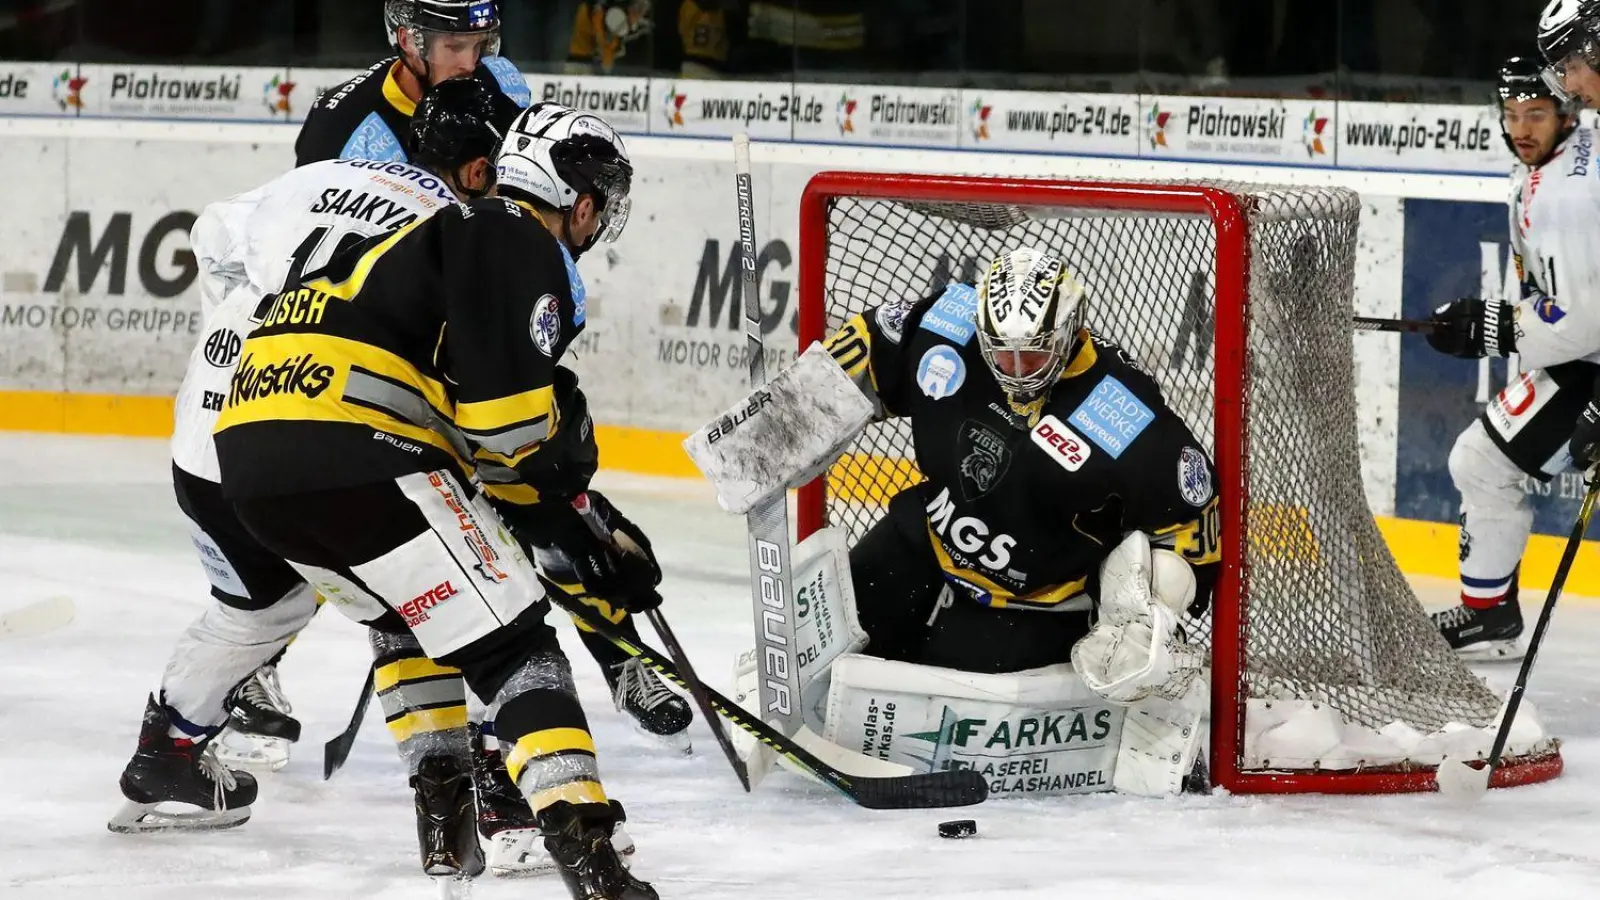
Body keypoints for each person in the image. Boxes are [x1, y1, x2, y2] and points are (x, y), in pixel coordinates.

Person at [212, 103, 656, 900]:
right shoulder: (516, 237)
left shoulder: (436, 236)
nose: (599, 219)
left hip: (250, 460)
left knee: (405, 617)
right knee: (517, 651)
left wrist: (580, 521)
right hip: (351, 447)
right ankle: (593, 861)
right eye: (601, 201)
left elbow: (471, 429)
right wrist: (573, 525)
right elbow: (505, 432)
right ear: (579, 200)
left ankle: (445, 825)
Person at [109, 80, 522, 851]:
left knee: (263, 606)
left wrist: (243, 323)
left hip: (206, 438)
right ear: (479, 166)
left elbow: (211, 229)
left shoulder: (317, 178)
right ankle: (498, 791)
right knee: (452, 593)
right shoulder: (457, 227)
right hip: (311, 433)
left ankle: (166, 750)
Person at [694, 246, 1220, 796]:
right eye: (1002, 353)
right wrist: (784, 420)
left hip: (1029, 600)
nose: (1015, 371)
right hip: (924, 539)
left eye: (1033, 356)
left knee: (932, 706)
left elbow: (1194, 518)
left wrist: (1147, 611)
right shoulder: (948, 326)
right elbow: (869, 345)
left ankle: (1153, 709)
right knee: (821, 630)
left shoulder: (1123, 409)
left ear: (1068, 334)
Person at [1422, 55, 1595, 660]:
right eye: (1512, 114)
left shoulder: (1569, 195)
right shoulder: (1559, 165)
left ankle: (1489, 611)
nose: (1522, 128)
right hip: (1583, 357)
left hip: (1591, 361)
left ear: (1568, 114)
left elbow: (1584, 320)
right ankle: (1488, 610)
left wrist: (1492, 328)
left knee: (1481, 463)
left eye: (1537, 114)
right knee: (1480, 462)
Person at [294, 0, 531, 167]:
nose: (470, 64)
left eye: (479, 44)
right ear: (408, 41)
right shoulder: (340, 126)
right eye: (455, 47)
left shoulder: (503, 83)